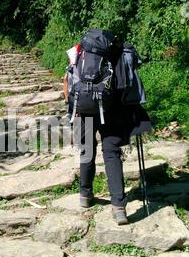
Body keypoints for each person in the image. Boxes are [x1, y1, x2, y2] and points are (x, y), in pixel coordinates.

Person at [64, 42, 152, 225]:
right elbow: (124, 85)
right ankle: (119, 208)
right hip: (110, 111)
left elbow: (67, 80)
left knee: (87, 151)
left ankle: (85, 196)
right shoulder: (116, 53)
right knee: (111, 154)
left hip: (83, 109)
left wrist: (71, 106)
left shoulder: (78, 50)